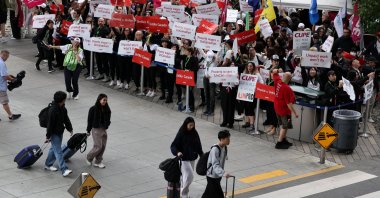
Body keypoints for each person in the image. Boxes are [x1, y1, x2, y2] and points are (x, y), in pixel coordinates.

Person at [170, 117, 203, 198]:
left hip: (192, 158)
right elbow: (173, 145)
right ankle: (183, 193)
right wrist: (177, 152)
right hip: (183, 159)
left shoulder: (194, 133)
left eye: (193, 125)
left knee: (185, 177)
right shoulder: (181, 133)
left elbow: (198, 145)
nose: (191, 127)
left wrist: (202, 155)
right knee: (189, 176)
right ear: (186, 125)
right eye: (190, 125)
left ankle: (184, 193)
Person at [44, 91, 73, 177]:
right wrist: (48, 136)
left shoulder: (63, 108)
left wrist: (70, 128)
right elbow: (50, 125)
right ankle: (64, 169)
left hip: (60, 131)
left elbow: (66, 119)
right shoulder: (53, 110)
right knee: (58, 151)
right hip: (54, 133)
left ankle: (48, 164)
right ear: (62, 100)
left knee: (54, 148)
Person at [272, 69, 298, 149]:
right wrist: (295, 113)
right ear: (290, 79)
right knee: (285, 125)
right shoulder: (287, 88)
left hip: (277, 107)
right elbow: (289, 103)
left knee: (283, 125)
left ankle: (283, 140)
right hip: (284, 110)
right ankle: (279, 143)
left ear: (283, 76)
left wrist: (277, 69)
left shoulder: (278, 81)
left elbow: (273, 72)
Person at [201, 130, 231, 198]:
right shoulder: (215, 149)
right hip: (212, 176)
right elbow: (215, 164)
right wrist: (223, 173)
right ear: (222, 139)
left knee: (208, 193)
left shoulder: (225, 147)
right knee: (219, 194)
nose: (229, 140)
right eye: (227, 138)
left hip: (217, 175)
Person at [86, 93, 112, 169]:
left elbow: (108, 118)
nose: (105, 101)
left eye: (106, 100)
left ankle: (98, 162)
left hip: (103, 129)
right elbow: (89, 120)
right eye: (104, 100)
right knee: (98, 146)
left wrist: (107, 124)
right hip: (96, 129)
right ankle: (89, 157)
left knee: (103, 146)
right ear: (99, 99)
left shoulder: (107, 109)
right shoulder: (93, 109)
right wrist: (88, 130)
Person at [0, 50, 21, 121]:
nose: (7, 59)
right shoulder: (2, 63)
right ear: (4, 55)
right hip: (1, 87)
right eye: (7, 57)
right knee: (4, 102)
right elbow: (4, 76)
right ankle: (10, 116)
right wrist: (13, 80)